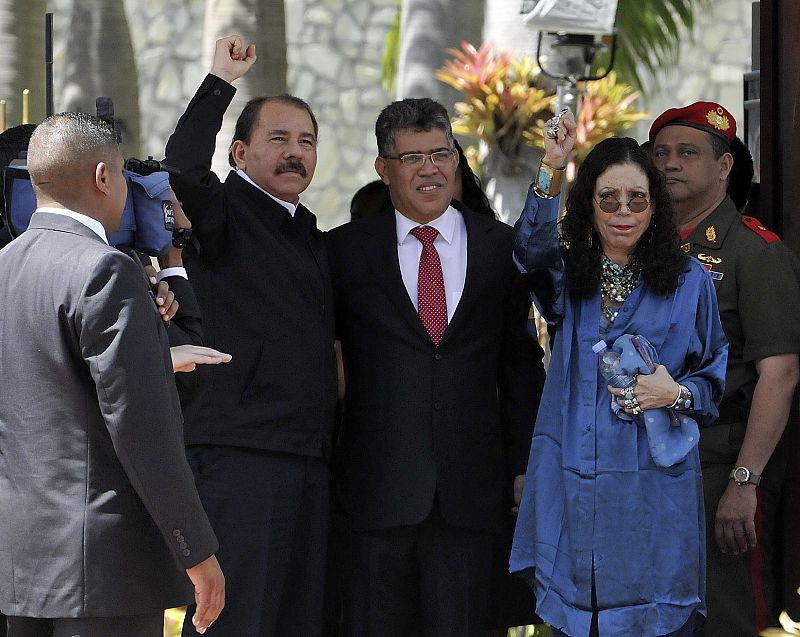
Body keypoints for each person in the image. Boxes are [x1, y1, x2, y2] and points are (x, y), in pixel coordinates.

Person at [326, 97, 545, 636]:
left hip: (471, 496)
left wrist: (525, 465)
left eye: (441, 154)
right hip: (374, 496)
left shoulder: (500, 248)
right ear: (384, 169)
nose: (430, 170)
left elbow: (519, 367)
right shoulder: (343, 251)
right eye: (412, 158)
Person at [0, 112, 225, 637]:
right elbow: (141, 428)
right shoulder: (106, 269)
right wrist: (196, 550)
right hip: (105, 566)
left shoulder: (5, 264)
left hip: (21, 564)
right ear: (103, 176)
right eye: (123, 173)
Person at [510, 110, 728, 637]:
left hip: (654, 489)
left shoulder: (690, 281)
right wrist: (552, 167)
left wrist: (674, 393)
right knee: (577, 618)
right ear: (589, 204)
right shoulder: (569, 276)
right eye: (608, 199)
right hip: (575, 482)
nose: (624, 212)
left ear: (656, 205)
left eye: (638, 199)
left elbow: (712, 380)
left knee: (657, 617)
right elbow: (530, 253)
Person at [164, 35, 338, 637]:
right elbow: (184, 165)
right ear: (239, 153)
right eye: (279, 139)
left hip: (307, 458)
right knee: (237, 620)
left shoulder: (312, 236)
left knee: (297, 620)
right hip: (239, 458)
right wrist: (220, 80)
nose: (295, 153)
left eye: (306, 142)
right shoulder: (224, 214)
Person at [649, 101, 800, 636]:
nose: (670, 163)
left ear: (724, 166)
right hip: (643, 464)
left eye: (687, 153)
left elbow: (780, 374)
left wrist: (744, 480)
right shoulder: (638, 246)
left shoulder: (754, 253)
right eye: (660, 153)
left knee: (723, 616)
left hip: (717, 464)